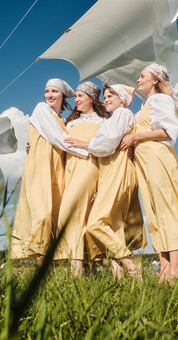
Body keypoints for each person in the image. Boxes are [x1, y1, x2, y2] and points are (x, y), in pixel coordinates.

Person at [120, 63, 178, 282]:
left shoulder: (161, 100)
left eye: (142, 76)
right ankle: (164, 268)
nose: (138, 80)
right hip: (144, 162)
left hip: (157, 157)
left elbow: (166, 131)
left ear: (155, 79)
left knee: (166, 209)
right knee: (154, 212)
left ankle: (175, 269)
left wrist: (135, 138)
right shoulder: (145, 106)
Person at [65, 82, 146, 278]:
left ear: (122, 100)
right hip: (110, 170)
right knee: (112, 222)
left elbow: (107, 144)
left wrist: (83, 144)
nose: (106, 99)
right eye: (106, 96)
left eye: (112, 96)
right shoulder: (115, 117)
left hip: (119, 168)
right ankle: (119, 276)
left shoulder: (123, 114)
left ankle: (131, 266)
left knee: (96, 223)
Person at [11, 78, 76, 266]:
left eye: (54, 91)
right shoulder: (41, 109)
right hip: (40, 167)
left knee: (56, 214)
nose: (49, 95)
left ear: (62, 96)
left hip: (57, 169)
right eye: (47, 91)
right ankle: (42, 272)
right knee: (43, 213)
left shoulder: (63, 120)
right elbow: (60, 139)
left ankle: (54, 267)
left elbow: (60, 141)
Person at [54, 81, 109, 276]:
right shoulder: (70, 123)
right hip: (69, 169)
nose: (76, 99)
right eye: (75, 96)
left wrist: (82, 143)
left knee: (71, 214)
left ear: (92, 99)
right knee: (82, 217)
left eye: (80, 96)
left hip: (88, 168)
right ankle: (89, 269)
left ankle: (75, 273)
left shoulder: (103, 122)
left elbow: (105, 147)